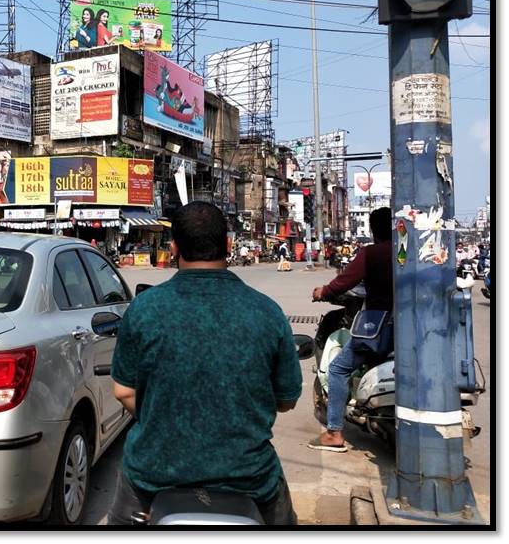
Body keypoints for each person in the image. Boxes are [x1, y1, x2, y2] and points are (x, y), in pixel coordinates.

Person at [108, 202, 302, 525]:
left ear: (173, 248)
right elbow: (288, 398)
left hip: (150, 476)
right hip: (250, 479)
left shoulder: (143, 310)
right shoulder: (268, 313)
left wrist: (164, 419)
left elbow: (123, 391)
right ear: (228, 246)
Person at [309, 207, 393, 452]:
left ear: (373, 229)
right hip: (410, 328)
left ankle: (334, 432)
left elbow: (345, 281)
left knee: (338, 368)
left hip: (379, 327)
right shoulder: (408, 252)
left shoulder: (372, 253)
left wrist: (323, 292)